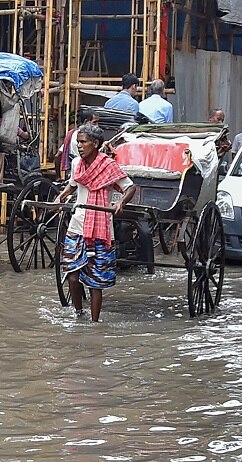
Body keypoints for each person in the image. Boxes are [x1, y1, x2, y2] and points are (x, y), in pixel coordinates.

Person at [54, 124, 137, 322]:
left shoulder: (108, 165)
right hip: (77, 226)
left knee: (95, 283)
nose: (79, 146)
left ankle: (94, 323)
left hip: (101, 229)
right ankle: (78, 314)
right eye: (78, 142)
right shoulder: (77, 165)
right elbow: (73, 185)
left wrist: (121, 202)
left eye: (83, 142)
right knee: (72, 276)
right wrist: (62, 196)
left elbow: (130, 187)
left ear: (95, 143)